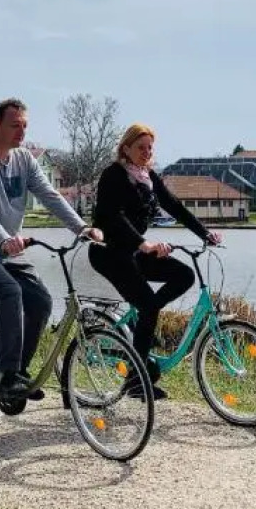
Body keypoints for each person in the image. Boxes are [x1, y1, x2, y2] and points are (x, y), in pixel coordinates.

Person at [0, 98, 103, 408]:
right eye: (14, 125)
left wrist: (81, 228)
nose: (21, 133)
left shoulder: (24, 160)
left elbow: (49, 195)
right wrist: (5, 239)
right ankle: (7, 376)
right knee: (8, 292)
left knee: (41, 300)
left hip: (4, 250)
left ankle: (17, 373)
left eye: (25, 126)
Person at [89, 123, 222, 398]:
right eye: (141, 147)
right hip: (109, 253)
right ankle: (135, 382)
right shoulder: (113, 175)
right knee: (149, 305)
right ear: (126, 148)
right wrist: (144, 243)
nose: (146, 152)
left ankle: (143, 323)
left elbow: (174, 206)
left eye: (150, 148)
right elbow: (114, 218)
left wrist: (204, 233)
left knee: (184, 276)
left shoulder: (147, 176)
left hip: (135, 252)